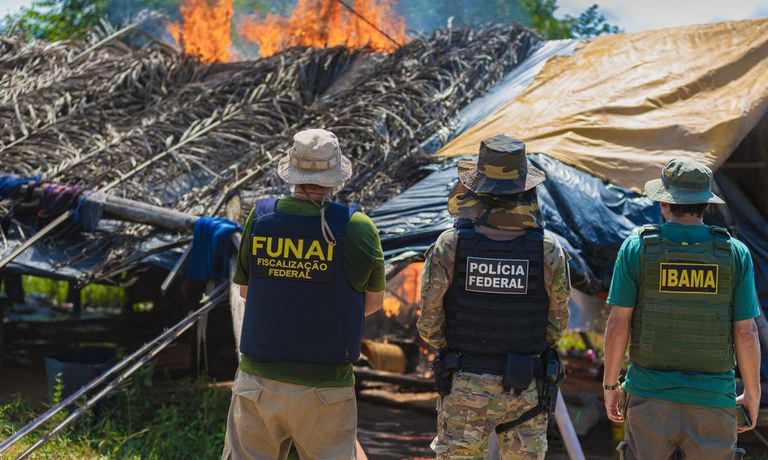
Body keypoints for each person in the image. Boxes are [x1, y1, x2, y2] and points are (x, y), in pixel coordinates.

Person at [222, 129, 385, 460]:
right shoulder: (357, 227)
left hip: (258, 383)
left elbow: (245, 290)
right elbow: (372, 304)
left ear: (291, 174)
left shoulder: (262, 216)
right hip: (325, 388)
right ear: (334, 177)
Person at [417, 135, 571, 459]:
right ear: (525, 189)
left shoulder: (450, 244)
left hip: (464, 387)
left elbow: (429, 321)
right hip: (525, 387)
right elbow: (557, 323)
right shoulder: (548, 250)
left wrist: (459, 349)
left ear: (478, 189)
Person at [602, 158, 761, 460]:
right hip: (713, 400)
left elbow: (618, 325)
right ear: (705, 205)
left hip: (649, 396)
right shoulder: (735, 253)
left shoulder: (637, 247)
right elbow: (745, 332)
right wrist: (752, 393)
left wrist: (611, 384)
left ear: (664, 202)